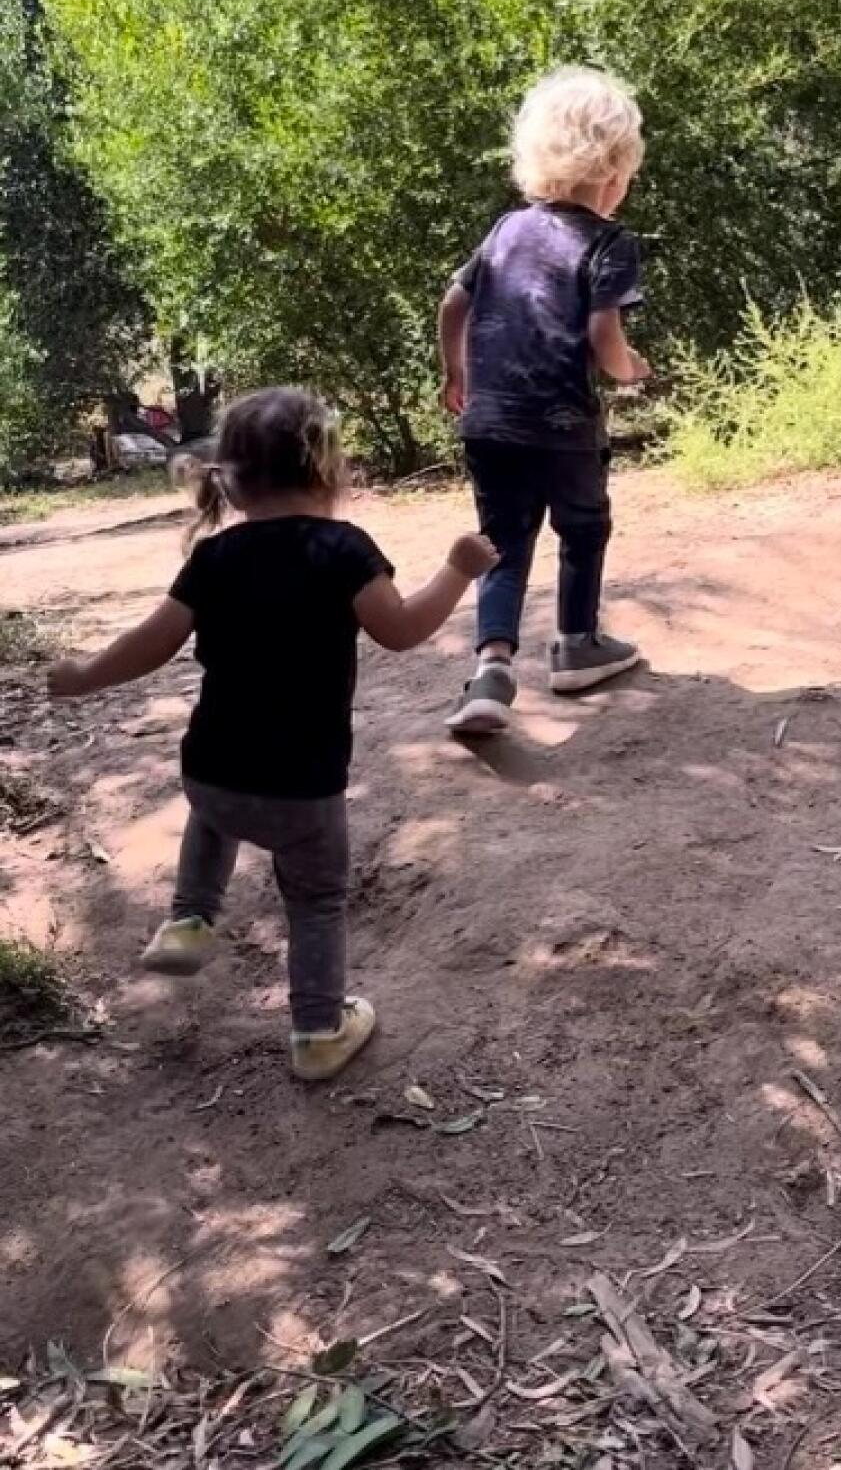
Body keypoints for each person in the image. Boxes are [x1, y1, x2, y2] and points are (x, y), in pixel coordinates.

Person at [48, 387, 496, 1081]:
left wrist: (82, 675)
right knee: (316, 902)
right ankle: (318, 1031)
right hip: (304, 787)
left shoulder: (215, 557)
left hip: (213, 770)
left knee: (212, 809)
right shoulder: (341, 548)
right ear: (327, 467)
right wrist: (458, 571)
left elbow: (152, 643)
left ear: (228, 479)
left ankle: (191, 916)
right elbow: (402, 629)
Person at [438, 65, 652, 735]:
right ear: (615, 172)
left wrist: (455, 370)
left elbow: (453, 303)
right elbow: (601, 333)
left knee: (502, 539)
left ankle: (492, 668)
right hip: (563, 424)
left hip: (490, 419)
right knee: (583, 527)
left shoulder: (506, 230)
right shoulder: (610, 243)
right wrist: (628, 370)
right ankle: (576, 644)